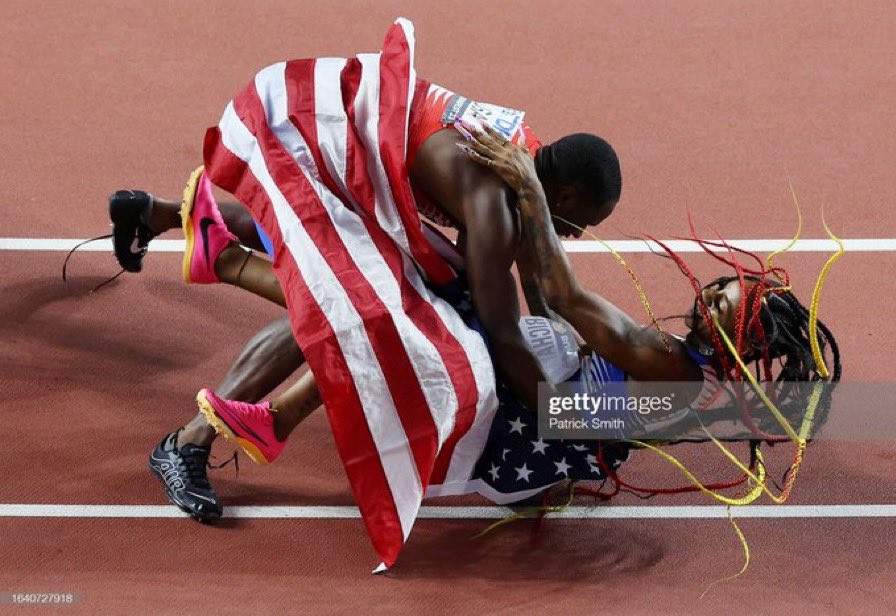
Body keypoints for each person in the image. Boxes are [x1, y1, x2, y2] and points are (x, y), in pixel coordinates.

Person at [192, 124, 841, 522]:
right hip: (537, 442)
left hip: (520, 412)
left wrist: (529, 191)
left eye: (725, 303)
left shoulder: (664, 361)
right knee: (389, 331)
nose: (714, 293)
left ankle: (228, 266)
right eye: (726, 285)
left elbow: (563, 295)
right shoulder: (689, 379)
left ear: (733, 345)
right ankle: (236, 296)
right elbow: (556, 310)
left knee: (397, 309)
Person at [106, 43, 622, 522]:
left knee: (410, 287)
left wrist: (563, 335)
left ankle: (162, 217)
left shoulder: (521, 152)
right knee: (348, 306)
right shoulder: (494, 206)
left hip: (326, 116)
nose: (573, 238)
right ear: (568, 196)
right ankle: (185, 443)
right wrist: (562, 414)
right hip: (309, 134)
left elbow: (525, 268)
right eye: (582, 225)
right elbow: (503, 332)